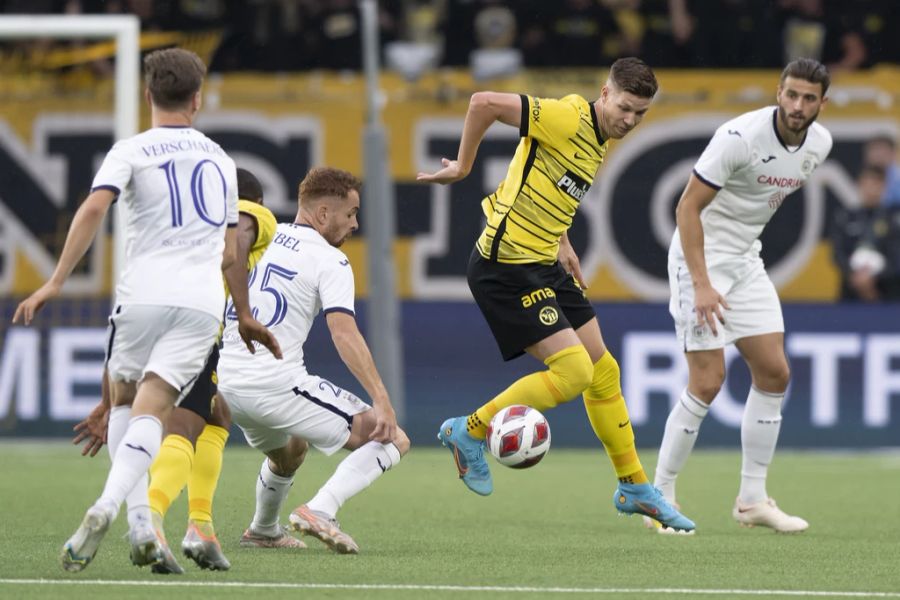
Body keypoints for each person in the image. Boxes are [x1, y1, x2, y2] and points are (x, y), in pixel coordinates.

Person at [13, 47, 280, 573]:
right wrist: (245, 314)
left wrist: (55, 281)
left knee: (122, 403)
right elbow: (231, 255)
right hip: (200, 305)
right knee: (154, 407)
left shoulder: (130, 150)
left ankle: (114, 506)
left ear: (147, 94)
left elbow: (93, 208)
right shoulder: (222, 163)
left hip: (140, 296)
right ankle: (135, 518)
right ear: (198, 99)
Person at [416, 57, 694, 533]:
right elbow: (482, 102)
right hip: (505, 267)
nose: (629, 120)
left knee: (603, 371)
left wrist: (562, 242)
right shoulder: (567, 116)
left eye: (640, 114)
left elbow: (544, 182)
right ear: (604, 94)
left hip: (544, 260)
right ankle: (469, 430)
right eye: (625, 107)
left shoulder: (600, 140)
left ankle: (633, 486)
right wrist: (463, 167)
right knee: (573, 372)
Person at [650, 57, 833, 534]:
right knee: (707, 382)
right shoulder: (739, 138)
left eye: (808, 98)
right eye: (791, 94)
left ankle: (752, 500)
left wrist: (731, 266)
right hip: (698, 259)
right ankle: (659, 497)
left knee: (775, 372)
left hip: (745, 261)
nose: (797, 106)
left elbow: (752, 210)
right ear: (778, 92)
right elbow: (687, 207)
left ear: (821, 103)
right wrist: (703, 283)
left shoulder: (820, 145)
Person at [72, 167, 279, 572]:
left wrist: (107, 402)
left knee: (218, 412)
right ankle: (149, 521)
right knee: (185, 424)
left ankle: (200, 526)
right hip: (191, 328)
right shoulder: (247, 213)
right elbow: (237, 237)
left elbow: (125, 323)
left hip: (139, 317)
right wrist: (244, 312)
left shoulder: (175, 225)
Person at [217, 166, 410, 554]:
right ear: (323, 214)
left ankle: (263, 529)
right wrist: (382, 399)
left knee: (291, 449)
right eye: (351, 213)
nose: (355, 224)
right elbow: (343, 333)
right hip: (274, 384)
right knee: (392, 437)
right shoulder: (330, 260)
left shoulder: (258, 236)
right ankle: (322, 509)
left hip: (225, 384)